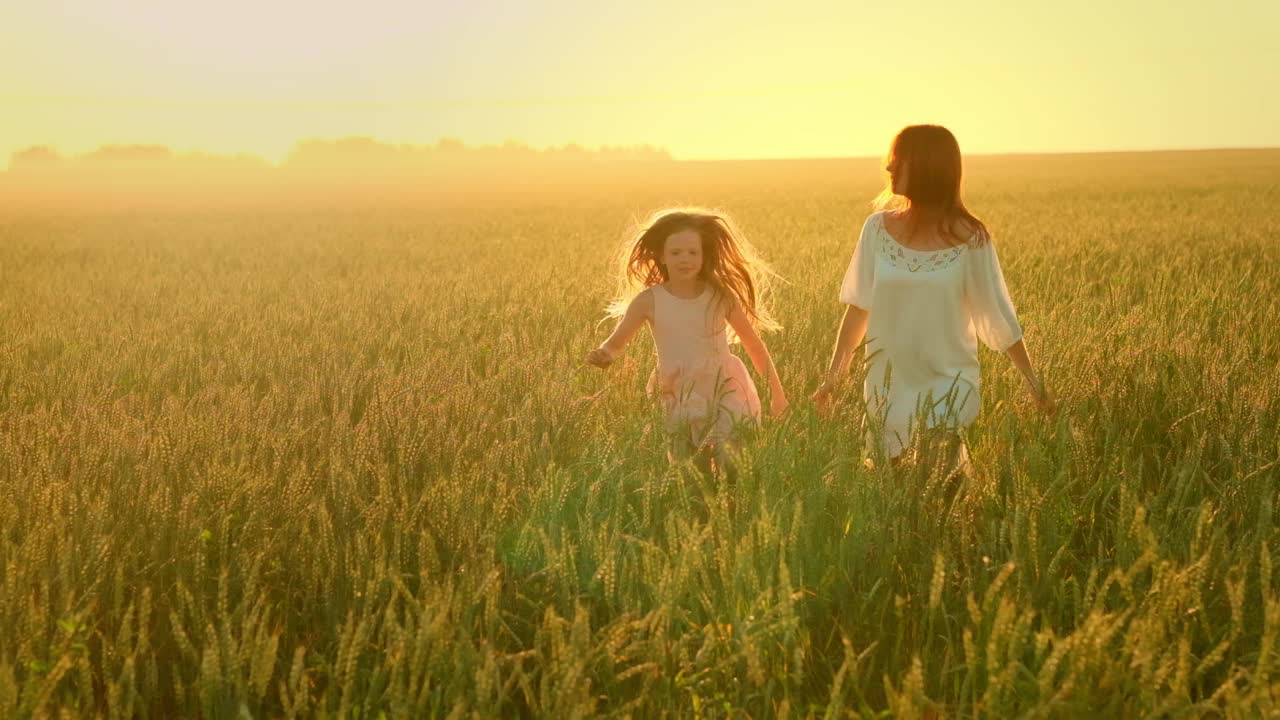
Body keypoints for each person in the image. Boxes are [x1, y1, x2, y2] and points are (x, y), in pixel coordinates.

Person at [813, 125, 1055, 471]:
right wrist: (833, 378)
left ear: (927, 166)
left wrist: (1035, 384)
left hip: (949, 382)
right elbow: (857, 309)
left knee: (939, 480)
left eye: (897, 160)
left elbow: (999, 317)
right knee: (891, 487)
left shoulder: (971, 238)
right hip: (888, 385)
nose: (888, 168)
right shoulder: (876, 230)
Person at [587, 208, 788, 468]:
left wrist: (777, 394)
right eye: (676, 253)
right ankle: (700, 507)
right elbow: (615, 343)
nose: (685, 259)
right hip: (676, 390)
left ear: (704, 256)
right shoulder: (649, 301)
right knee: (689, 469)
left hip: (725, 384)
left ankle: (731, 503)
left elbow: (754, 345)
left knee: (731, 457)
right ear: (661, 255)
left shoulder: (720, 297)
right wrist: (604, 355)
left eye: (693, 252)